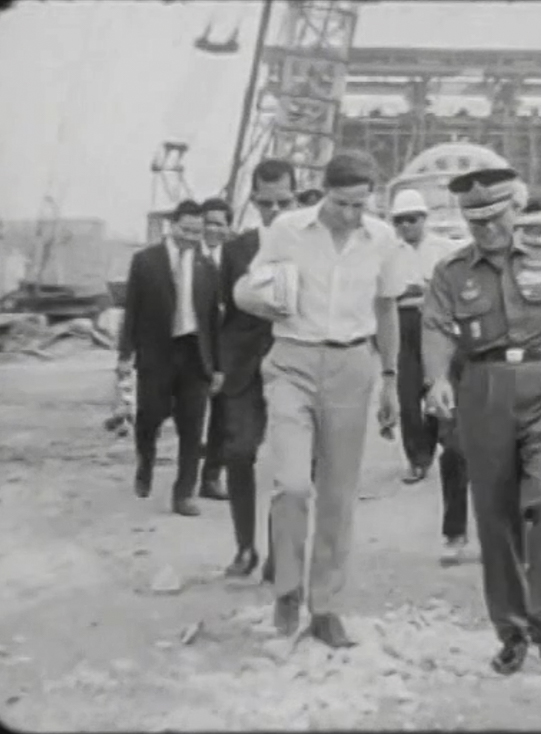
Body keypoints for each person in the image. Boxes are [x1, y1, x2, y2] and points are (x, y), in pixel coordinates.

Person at [422, 167, 541, 674]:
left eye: (494, 217)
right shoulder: (451, 272)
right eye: (475, 220)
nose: (486, 229)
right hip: (483, 391)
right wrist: (436, 379)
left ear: (515, 211)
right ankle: (513, 630)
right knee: (495, 517)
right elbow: (436, 327)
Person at [234, 150, 405, 646]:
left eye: (358, 205)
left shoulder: (383, 239)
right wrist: (263, 300)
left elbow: (388, 309)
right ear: (323, 191)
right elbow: (248, 287)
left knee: (338, 494)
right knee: (291, 483)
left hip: (352, 364)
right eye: (340, 203)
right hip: (293, 360)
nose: (349, 214)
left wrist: (390, 378)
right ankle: (287, 587)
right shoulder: (287, 230)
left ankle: (325, 605)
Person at [216, 159, 297, 578]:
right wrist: (219, 366)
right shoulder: (235, 251)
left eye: (284, 202)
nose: (275, 211)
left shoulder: (310, 247)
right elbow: (221, 315)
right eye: (267, 203)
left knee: (290, 464)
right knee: (239, 452)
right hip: (245, 368)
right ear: (253, 201)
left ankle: (279, 552)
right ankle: (245, 547)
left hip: (294, 367)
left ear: (296, 198)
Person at [118, 199, 222, 517]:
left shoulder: (208, 267)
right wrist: (125, 354)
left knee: (192, 426)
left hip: (195, 355)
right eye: (186, 230)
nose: (191, 237)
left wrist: (218, 366)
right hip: (157, 354)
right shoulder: (145, 261)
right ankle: (145, 463)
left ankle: (184, 494)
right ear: (173, 226)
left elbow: (213, 322)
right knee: (149, 417)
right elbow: (131, 310)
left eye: (197, 232)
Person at [392, 188, 460, 485]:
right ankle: (416, 458)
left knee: (435, 387)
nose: (406, 226)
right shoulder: (389, 251)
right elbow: (384, 293)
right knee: (407, 396)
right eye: (400, 221)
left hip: (435, 323)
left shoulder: (443, 249)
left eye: (412, 219)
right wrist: (412, 290)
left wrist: (423, 290)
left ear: (424, 218)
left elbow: (450, 288)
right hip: (402, 323)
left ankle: (431, 448)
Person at [197, 197, 234, 502]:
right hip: (191, 345)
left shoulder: (234, 259)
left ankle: (211, 476)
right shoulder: (186, 255)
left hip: (224, 347)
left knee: (222, 414)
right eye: (207, 223)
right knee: (190, 412)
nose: (212, 229)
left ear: (228, 228)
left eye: (219, 224)